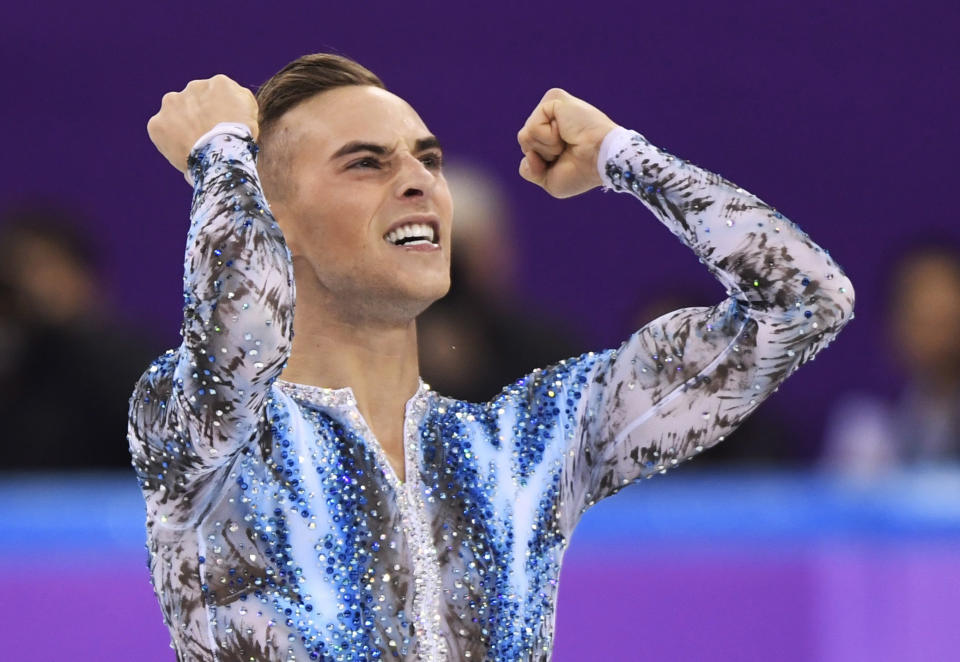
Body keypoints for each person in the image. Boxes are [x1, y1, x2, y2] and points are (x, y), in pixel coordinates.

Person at [129, 53, 855, 661]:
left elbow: (804, 301)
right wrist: (223, 155)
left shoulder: (527, 446)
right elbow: (245, 335)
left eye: (427, 159)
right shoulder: (197, 430)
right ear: (271, 221)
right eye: (365, 164)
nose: (418, 183)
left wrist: (620, 156)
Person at [822, 239, 960, 474]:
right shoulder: (866, 431)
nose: (940, 339)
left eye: (946, 320)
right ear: (894, 328)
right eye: (924, 320)